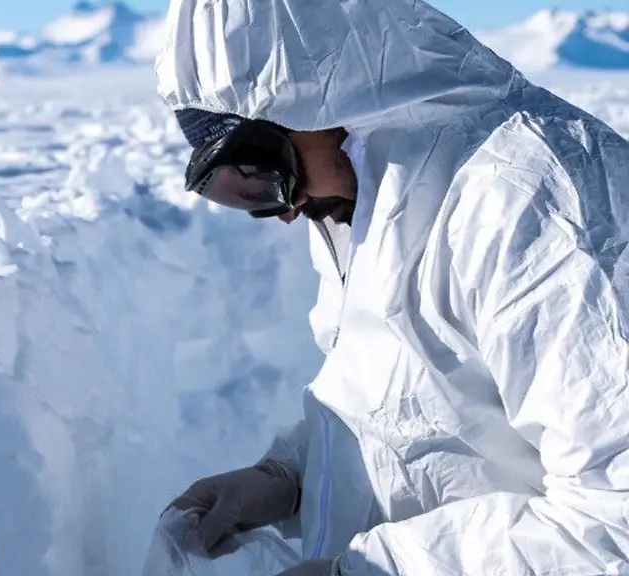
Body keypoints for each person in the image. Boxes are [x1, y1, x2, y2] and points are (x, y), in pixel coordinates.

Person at [154, 0, 629, 574]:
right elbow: (421, 410)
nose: (283, 209)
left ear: (327, 94)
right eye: (237, 189)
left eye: (261, 169)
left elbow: (613, 517)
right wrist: (289, 480)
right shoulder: (371, 198)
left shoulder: (534, 200)